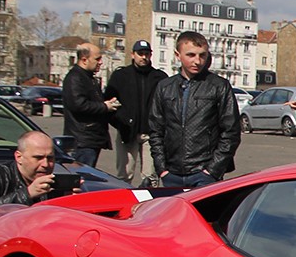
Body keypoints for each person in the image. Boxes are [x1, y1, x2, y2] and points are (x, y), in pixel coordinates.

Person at [148, 30, 241, 188]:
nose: (197, 61)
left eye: (202, 55)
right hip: (172, 172)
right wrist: (162, 168)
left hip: (204, 174)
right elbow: (156, 129)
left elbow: (231, 131)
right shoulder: (165, 87)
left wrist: (212, 170)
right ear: (178, 55)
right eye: (191, 55)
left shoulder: (219, 86)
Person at [104, 39, 166, 186]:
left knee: (151, 178)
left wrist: (159, 125)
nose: (143, 57)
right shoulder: (120, 76)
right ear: (132, 54)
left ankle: (150, 207)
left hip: (151, 134)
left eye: (146, 54)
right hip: (127, 133)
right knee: (124, 175)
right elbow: (108, 103)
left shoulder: (160, 78)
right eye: (140, 54)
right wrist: (121, 121)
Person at [61, 41, 119, 168]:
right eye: (97, 59)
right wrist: (105, 107)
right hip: (82, 141)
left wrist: (106, 104)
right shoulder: (75, 78)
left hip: (90, 139)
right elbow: (78, 105)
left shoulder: (88, 77)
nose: (100, 62)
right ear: (84, 59)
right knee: (83, 176)